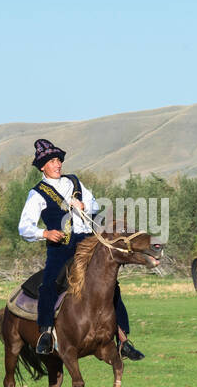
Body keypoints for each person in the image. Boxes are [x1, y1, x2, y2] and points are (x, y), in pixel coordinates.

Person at [17, 138, 144, 360]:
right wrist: (45, 233)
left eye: (59, 160)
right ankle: (46, 333)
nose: (58, 164)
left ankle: (123, 341)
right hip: (61, 247)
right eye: (53, 161)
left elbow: (94, 206)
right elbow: (24, 227)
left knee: (111, 286)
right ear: (43, 166)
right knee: (49, 286)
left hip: (88, 242)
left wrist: (86, 206)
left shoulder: (75, 182)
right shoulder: (37, 193)